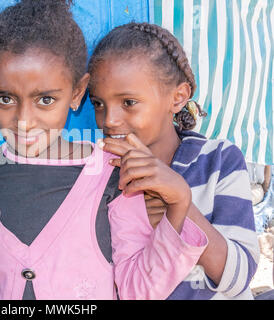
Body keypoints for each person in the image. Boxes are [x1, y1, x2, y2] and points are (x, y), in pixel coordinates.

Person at [0, 1, 207, 300]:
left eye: (46, 100)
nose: (24, 121)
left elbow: (138, 290)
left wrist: (180, 205)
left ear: (77, 93)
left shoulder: (112, 171)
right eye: (6, 99)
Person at [88, 22, 259, 299]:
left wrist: (181, 206)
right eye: (98, 103)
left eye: (129, 102)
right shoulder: (102, 172)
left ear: (177, 97)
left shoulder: (219, 161)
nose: (109, 120)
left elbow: (239, 279)